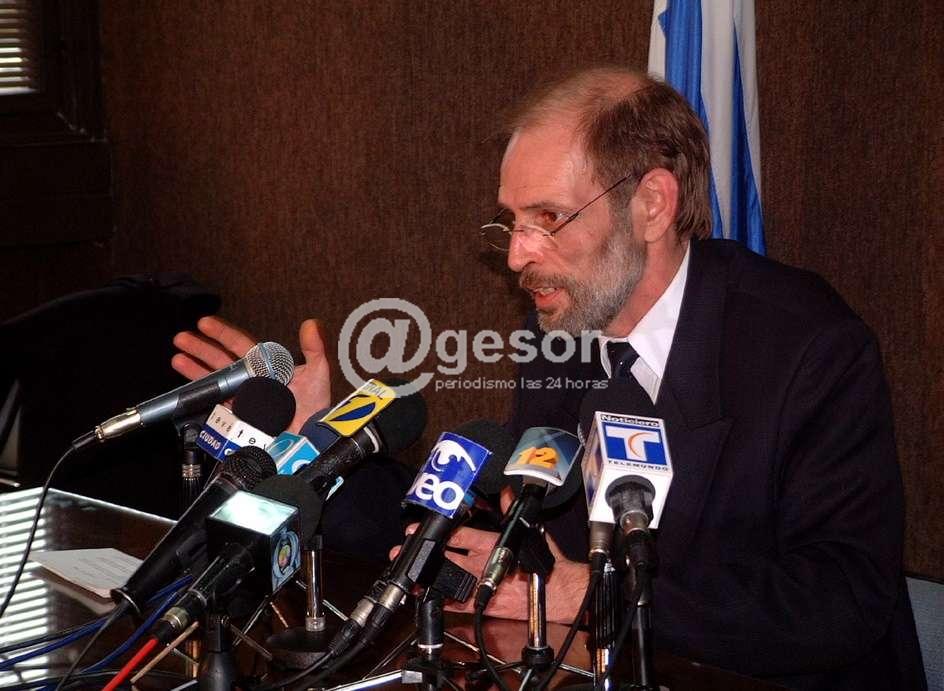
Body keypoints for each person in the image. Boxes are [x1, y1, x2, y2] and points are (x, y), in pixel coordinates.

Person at [172, 67, 925, 689]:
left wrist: (590, 595)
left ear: (651, 205)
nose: (516, 256)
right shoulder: (564, 327)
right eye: (512, 220)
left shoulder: (807, 346)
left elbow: (842, 600)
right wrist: (316, 445)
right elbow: (486, 533)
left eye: (549, 218)